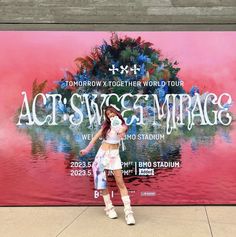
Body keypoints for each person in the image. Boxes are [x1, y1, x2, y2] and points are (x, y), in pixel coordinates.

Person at [80, 105, 136, 225]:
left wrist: (118, 128)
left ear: (116, 113)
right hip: (102, 156)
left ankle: (128, 212)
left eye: (112, 112)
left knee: (120, 183)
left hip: (114, 156)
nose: (110, 114)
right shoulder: (105, 127)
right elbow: (95, 138)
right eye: (108, 114)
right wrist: (86, 150)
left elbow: (122, 135)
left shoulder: (123, 126)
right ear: (107, 117)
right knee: (102, 181)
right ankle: (109, 207)